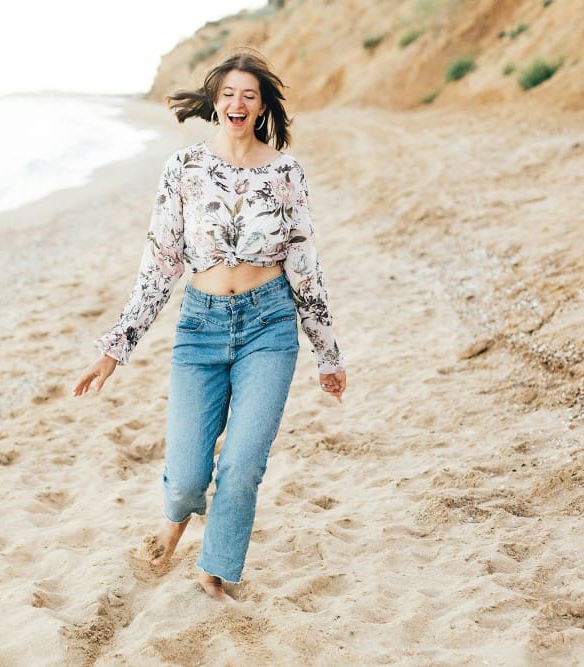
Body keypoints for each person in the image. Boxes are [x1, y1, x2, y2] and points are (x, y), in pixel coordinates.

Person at [73, 49, 346, 601]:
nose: (237, 103)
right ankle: (173, 523)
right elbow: (161, 263)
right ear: (214, 103)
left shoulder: (285, 171)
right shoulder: (183, 168)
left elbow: (304, 265)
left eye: (249, 94)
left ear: (262, 103)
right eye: (227, 94)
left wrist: (328, 353)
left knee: (242, 466)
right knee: (189, 477)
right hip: (199, 327)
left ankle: (213, 574)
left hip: (269, 325)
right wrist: (115, 348)